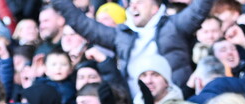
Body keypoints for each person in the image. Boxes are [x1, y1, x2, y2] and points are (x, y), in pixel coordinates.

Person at [51, 0, 216, 95]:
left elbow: (200, 8)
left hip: (175, 102)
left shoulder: (174, 26)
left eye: (140, 1)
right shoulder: (121, 34)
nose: (133, 6)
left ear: (155, 8)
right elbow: (83, 24)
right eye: (131, 2)